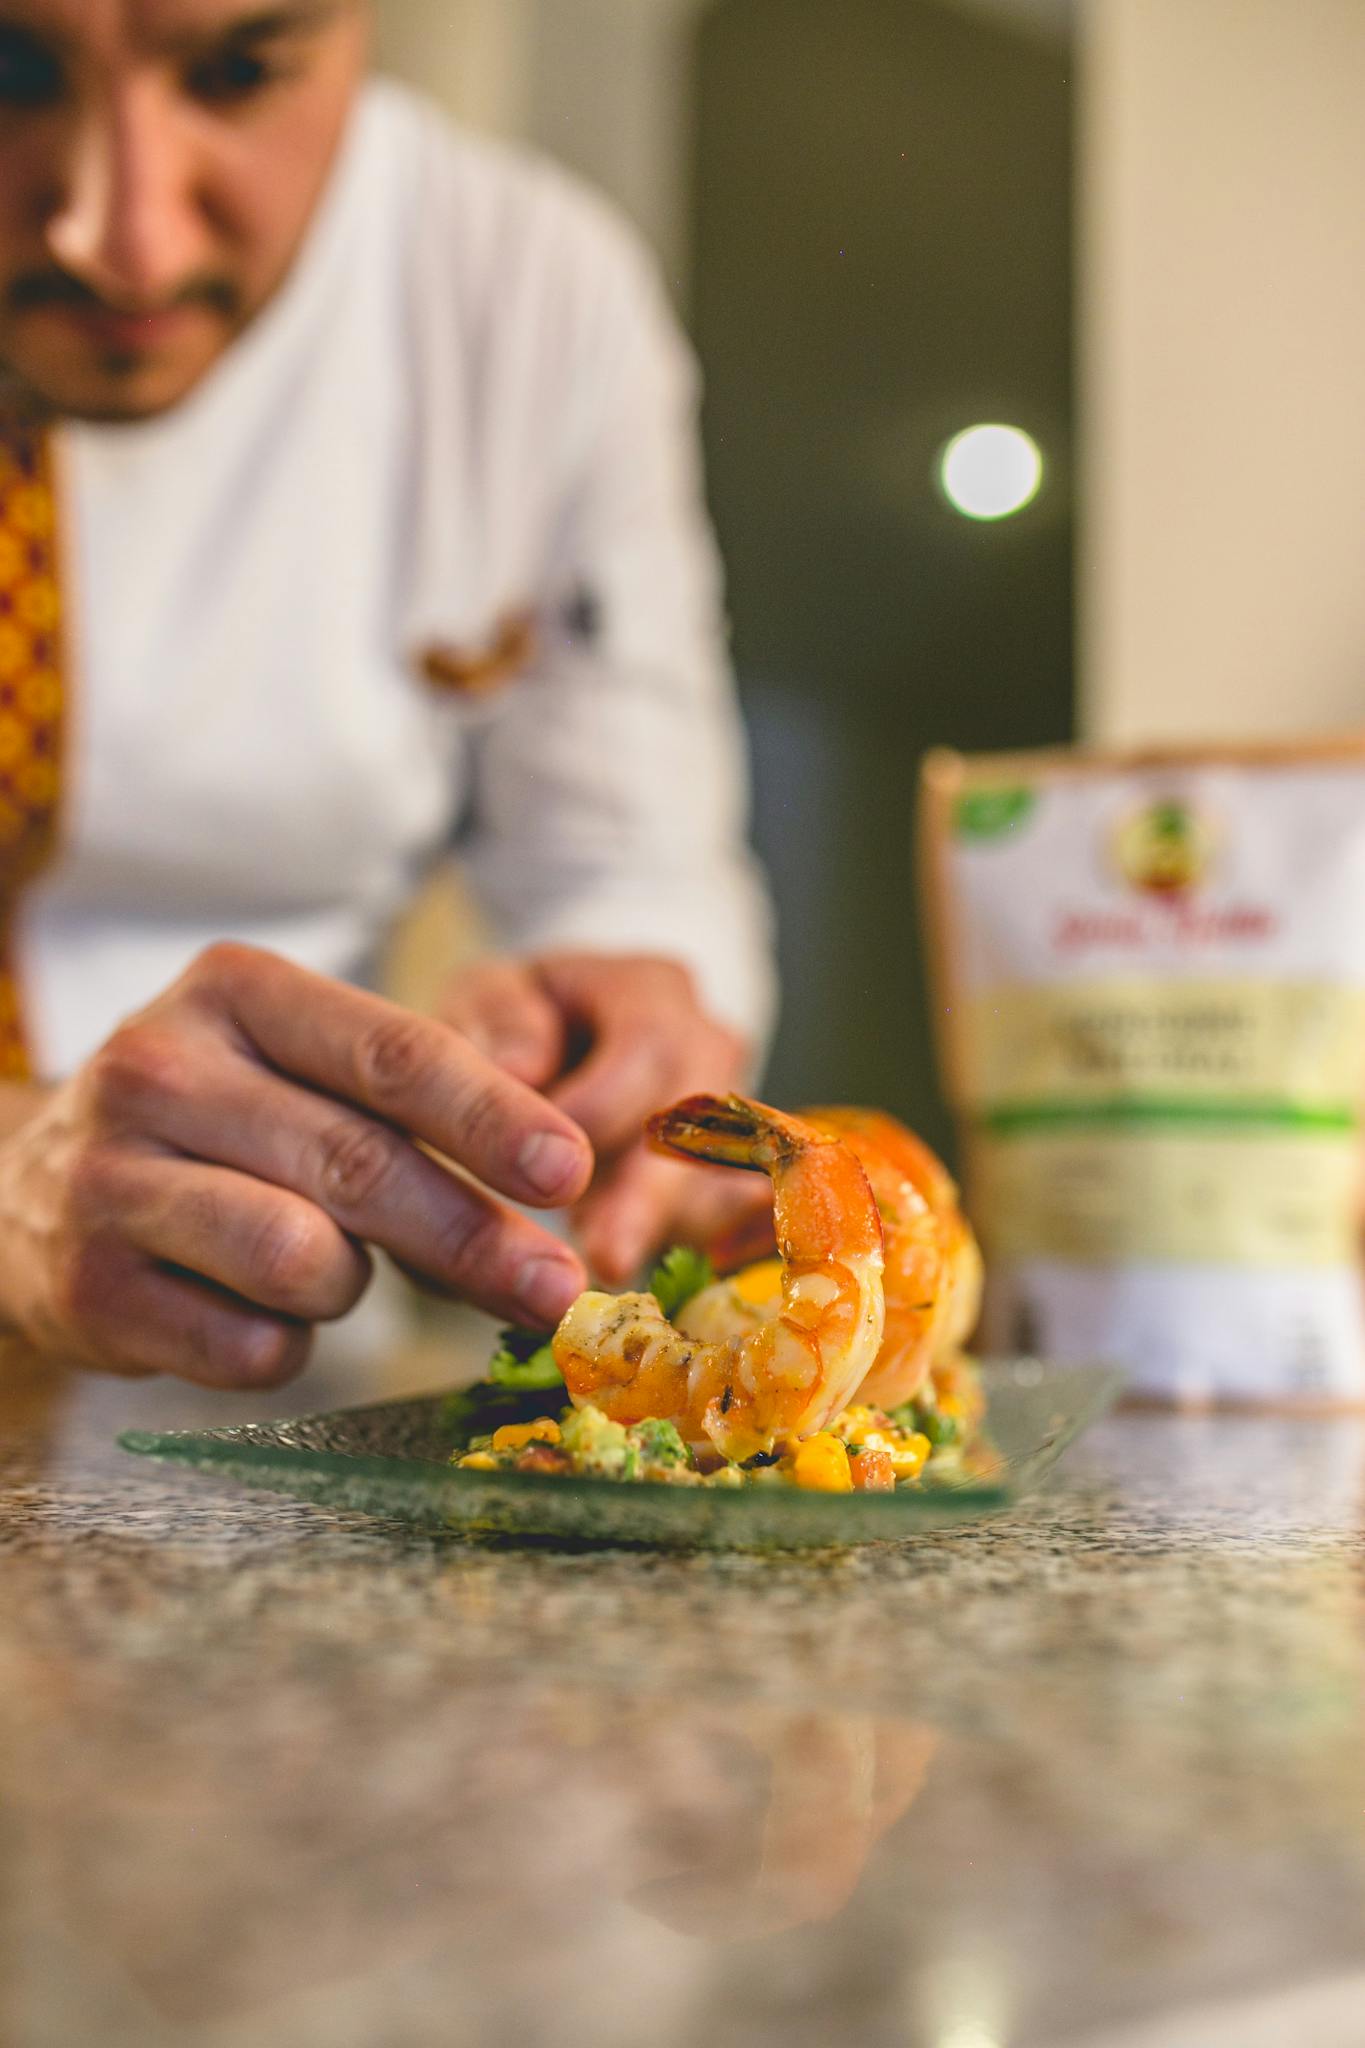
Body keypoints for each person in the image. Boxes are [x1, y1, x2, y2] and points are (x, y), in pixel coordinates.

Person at [0, 0, 775, 1387]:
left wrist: (606, 1022)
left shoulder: (526, 294)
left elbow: (626, 861)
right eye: (9, 71)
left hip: (271, 1371)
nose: (122, 241)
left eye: (238, 72)